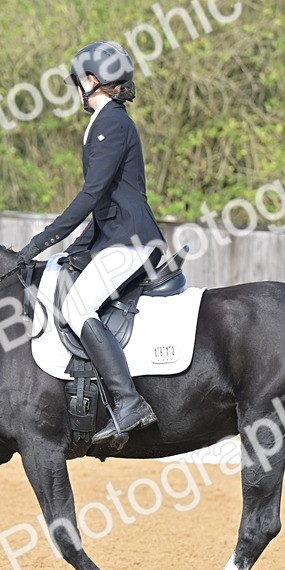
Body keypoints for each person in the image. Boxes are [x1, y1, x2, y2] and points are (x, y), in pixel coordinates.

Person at [17, 40, 168, 444]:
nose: (76, 89)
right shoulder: (107, 120)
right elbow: (106, 202)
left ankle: (128, 402)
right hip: (115, 236)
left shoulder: (112, 123)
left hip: (132, 240)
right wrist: (76, 249)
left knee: (77, 305)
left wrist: (42, 241)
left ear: (92, 80)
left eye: (78, 81)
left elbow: (91, 194)